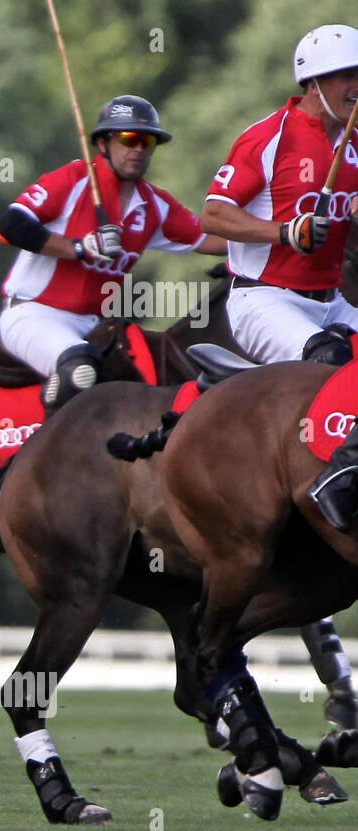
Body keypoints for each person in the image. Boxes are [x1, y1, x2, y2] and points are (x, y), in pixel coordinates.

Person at [198, 25, 358, 530]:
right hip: (264, 300)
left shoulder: (356, 144)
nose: (357, 87)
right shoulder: (268, 138)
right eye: (346, 77)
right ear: (313, 83)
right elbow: (213, 215)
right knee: (330, 359)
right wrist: (284, 231)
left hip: (329, 299)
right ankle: (337, 475)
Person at [0, 94, 225, 410]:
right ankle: (34, 456)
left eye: (148, 142)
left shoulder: (155, 204)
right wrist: (79, 248)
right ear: (103, 143)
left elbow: (212, 240)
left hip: (95, 326)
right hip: (34, 314)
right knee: (81, 371)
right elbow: (11, 225)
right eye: (130, 139)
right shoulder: (72, 180)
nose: (139, 149)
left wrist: (284, 235)